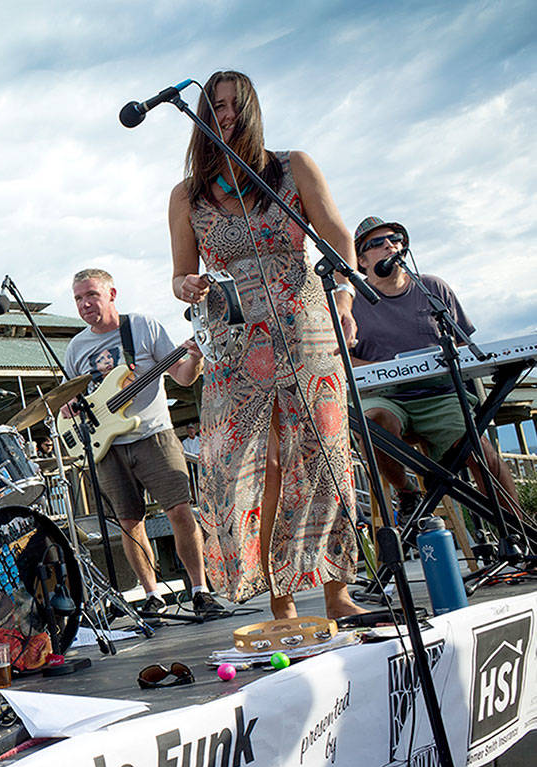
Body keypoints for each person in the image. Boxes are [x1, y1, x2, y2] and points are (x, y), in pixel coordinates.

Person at [168, 70, 365, 620]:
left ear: (251, 109)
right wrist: (187, 285)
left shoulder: (293, 166)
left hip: (305, 323)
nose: (226, 113)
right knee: (260, 464)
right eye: (216, 105)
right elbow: (180, 274)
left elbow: (338, 236)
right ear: (204, 117)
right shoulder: (187, 195)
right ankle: (282, 602)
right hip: (234, 337)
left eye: (235, 104)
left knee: (324, 454)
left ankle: (337, 591)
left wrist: (345, 297)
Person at [62, 268, 227, 618]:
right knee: (128, 522)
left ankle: (199, 590)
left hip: (154, 434)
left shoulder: (142, 327)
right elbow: (74, 398)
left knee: (180, 510)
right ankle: (152, 595)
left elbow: (183, 377)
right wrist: (70, 406)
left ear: (111, 294)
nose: (85, 303)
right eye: (78, 298)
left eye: (91, 295)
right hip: (108, 446)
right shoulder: (76, 347)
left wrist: (196, 357)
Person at [349, 216, 522, 518]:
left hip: (440, 396)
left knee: (480, 451)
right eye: (377, 243)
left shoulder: (433, 288)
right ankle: (407, 492)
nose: (390, 245)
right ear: (361, 260)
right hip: (385, 396)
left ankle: (518, 531)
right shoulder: (352, 302)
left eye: (395, 239)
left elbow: (465, 345)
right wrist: (386, 368)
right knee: (374, 422)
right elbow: (342, 357)